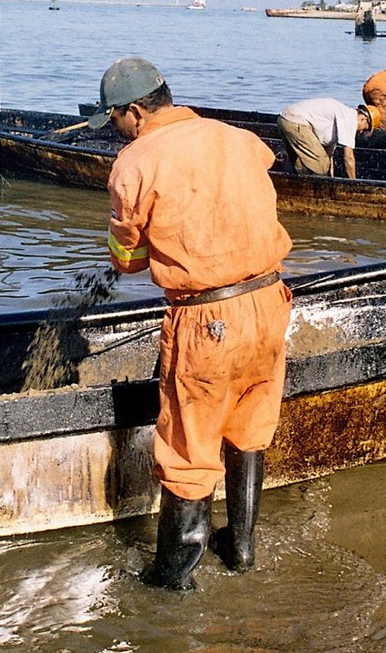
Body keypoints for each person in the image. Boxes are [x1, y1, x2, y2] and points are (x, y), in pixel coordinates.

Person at [89, 57, 294, 590]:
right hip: (270, 302)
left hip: (206, 319)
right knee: (249, 428)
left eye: (114, 121)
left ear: (134, 112)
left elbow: (126, 260)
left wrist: (132, 246)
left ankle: (172, 580)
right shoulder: (239, 138)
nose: (114, 132)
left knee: (187, 445)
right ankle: (242, 549)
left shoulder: (136, 162)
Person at [276, 98, 380, 179]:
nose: (361, 131)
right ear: (363, 119)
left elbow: (328, 154)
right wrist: (353, 183)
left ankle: (298, 188)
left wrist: (331, 178)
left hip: (284, 120)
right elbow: (348, 157)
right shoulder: (350, 118)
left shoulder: (339, 121)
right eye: (366, 128)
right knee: (320, 163)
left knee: (301, 162)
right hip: (295, 121)